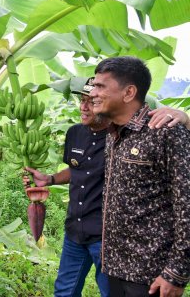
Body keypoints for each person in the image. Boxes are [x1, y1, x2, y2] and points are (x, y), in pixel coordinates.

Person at [24, 77, 189, 297]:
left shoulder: (120, 135)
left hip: (106, 239)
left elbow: (166, 141)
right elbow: (77, 169)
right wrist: (50, 179)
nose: (83, 107)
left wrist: (184, 118)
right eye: (81, 100)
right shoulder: (75, 133)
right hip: (75, 230)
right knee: (64, 291)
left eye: (91, 101)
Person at [90, 56, 189, 297]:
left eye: (100, 86)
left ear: (129, 92)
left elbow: (187, 204)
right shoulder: (113, 135)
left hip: (152, 274)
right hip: (115, 267)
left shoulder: (165, 131)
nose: (92, 92)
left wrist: (176, 272)